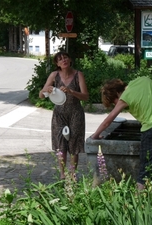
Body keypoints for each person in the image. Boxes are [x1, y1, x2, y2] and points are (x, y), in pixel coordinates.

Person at [91, 76, 152, 190]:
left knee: (145, 169)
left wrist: (96, 135)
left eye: (113, 101)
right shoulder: (142, 80)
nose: (116, 104)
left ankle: (138, 201)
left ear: (117, 92)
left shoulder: (124, 98)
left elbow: (108, 121)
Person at [39, 52, 89, 180]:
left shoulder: (78, 75)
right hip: (59, 114)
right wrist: (47, 90)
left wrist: (72, 91)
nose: (63, 60)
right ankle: (62, 173)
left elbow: (86, 96)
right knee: (60, 143)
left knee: (74, 143)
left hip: (75, 112)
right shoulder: (54, 75)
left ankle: (73, 173)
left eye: (65, 57)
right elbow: (41, 95)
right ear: (57, 64)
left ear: (70, 59)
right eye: (60, 59)